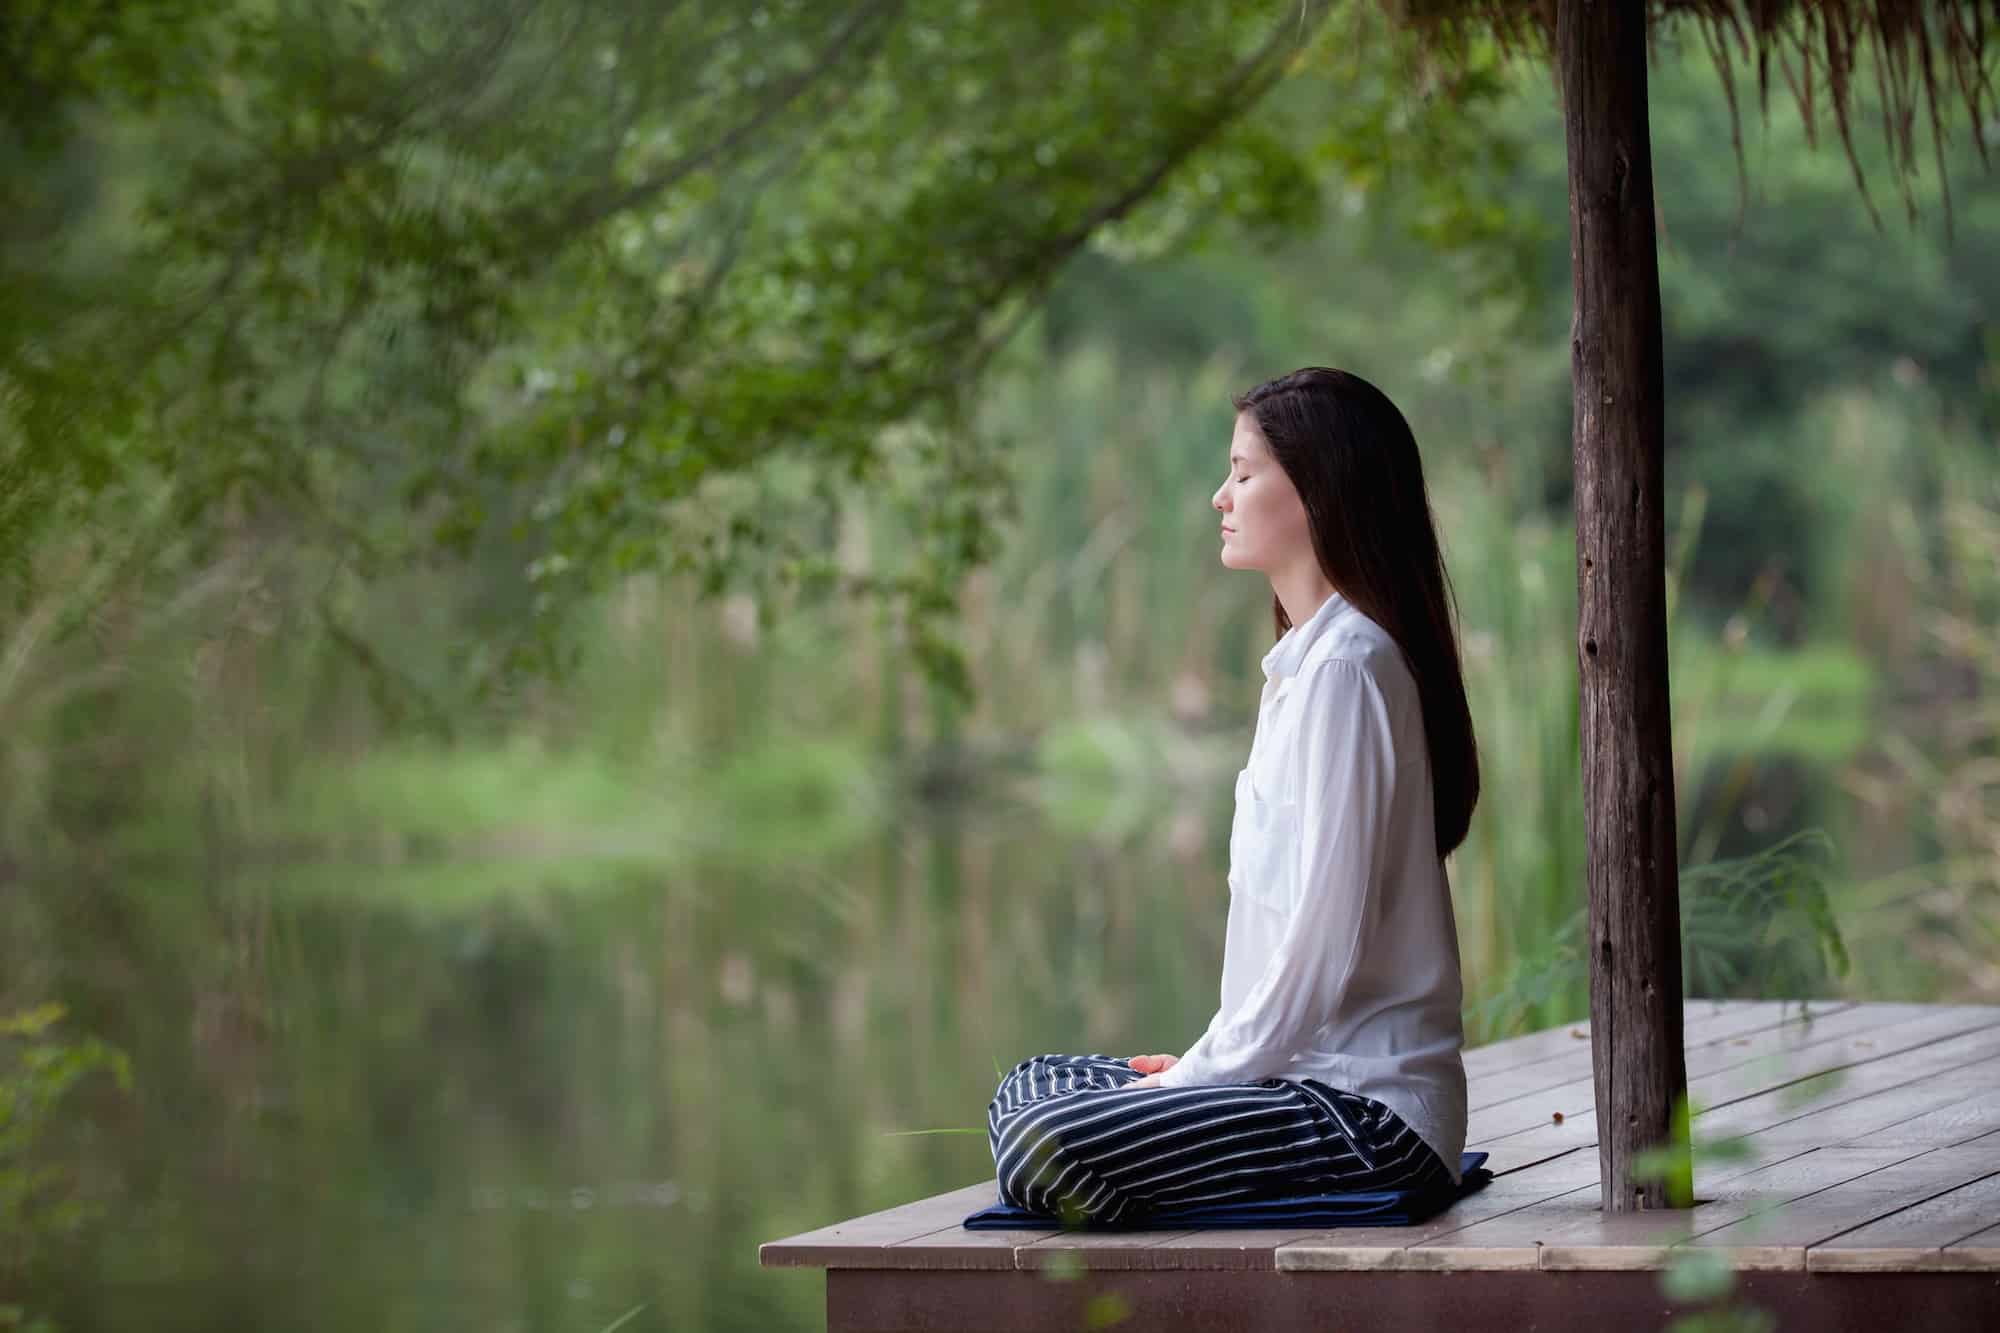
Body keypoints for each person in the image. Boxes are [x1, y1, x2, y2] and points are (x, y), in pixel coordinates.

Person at [986, 367, 1482, 1224]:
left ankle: (1187, 1129)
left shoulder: (1349, 670)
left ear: (1319, 492)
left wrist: (1198, 1078)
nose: (1221, 495)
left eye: (1244, 473)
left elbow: (1319, 954)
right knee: (1032, 1083)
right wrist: (1201, 1067)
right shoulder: (1301, 667)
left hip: (1367, 1119)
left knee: (1046, 1136)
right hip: (1296, 1086)